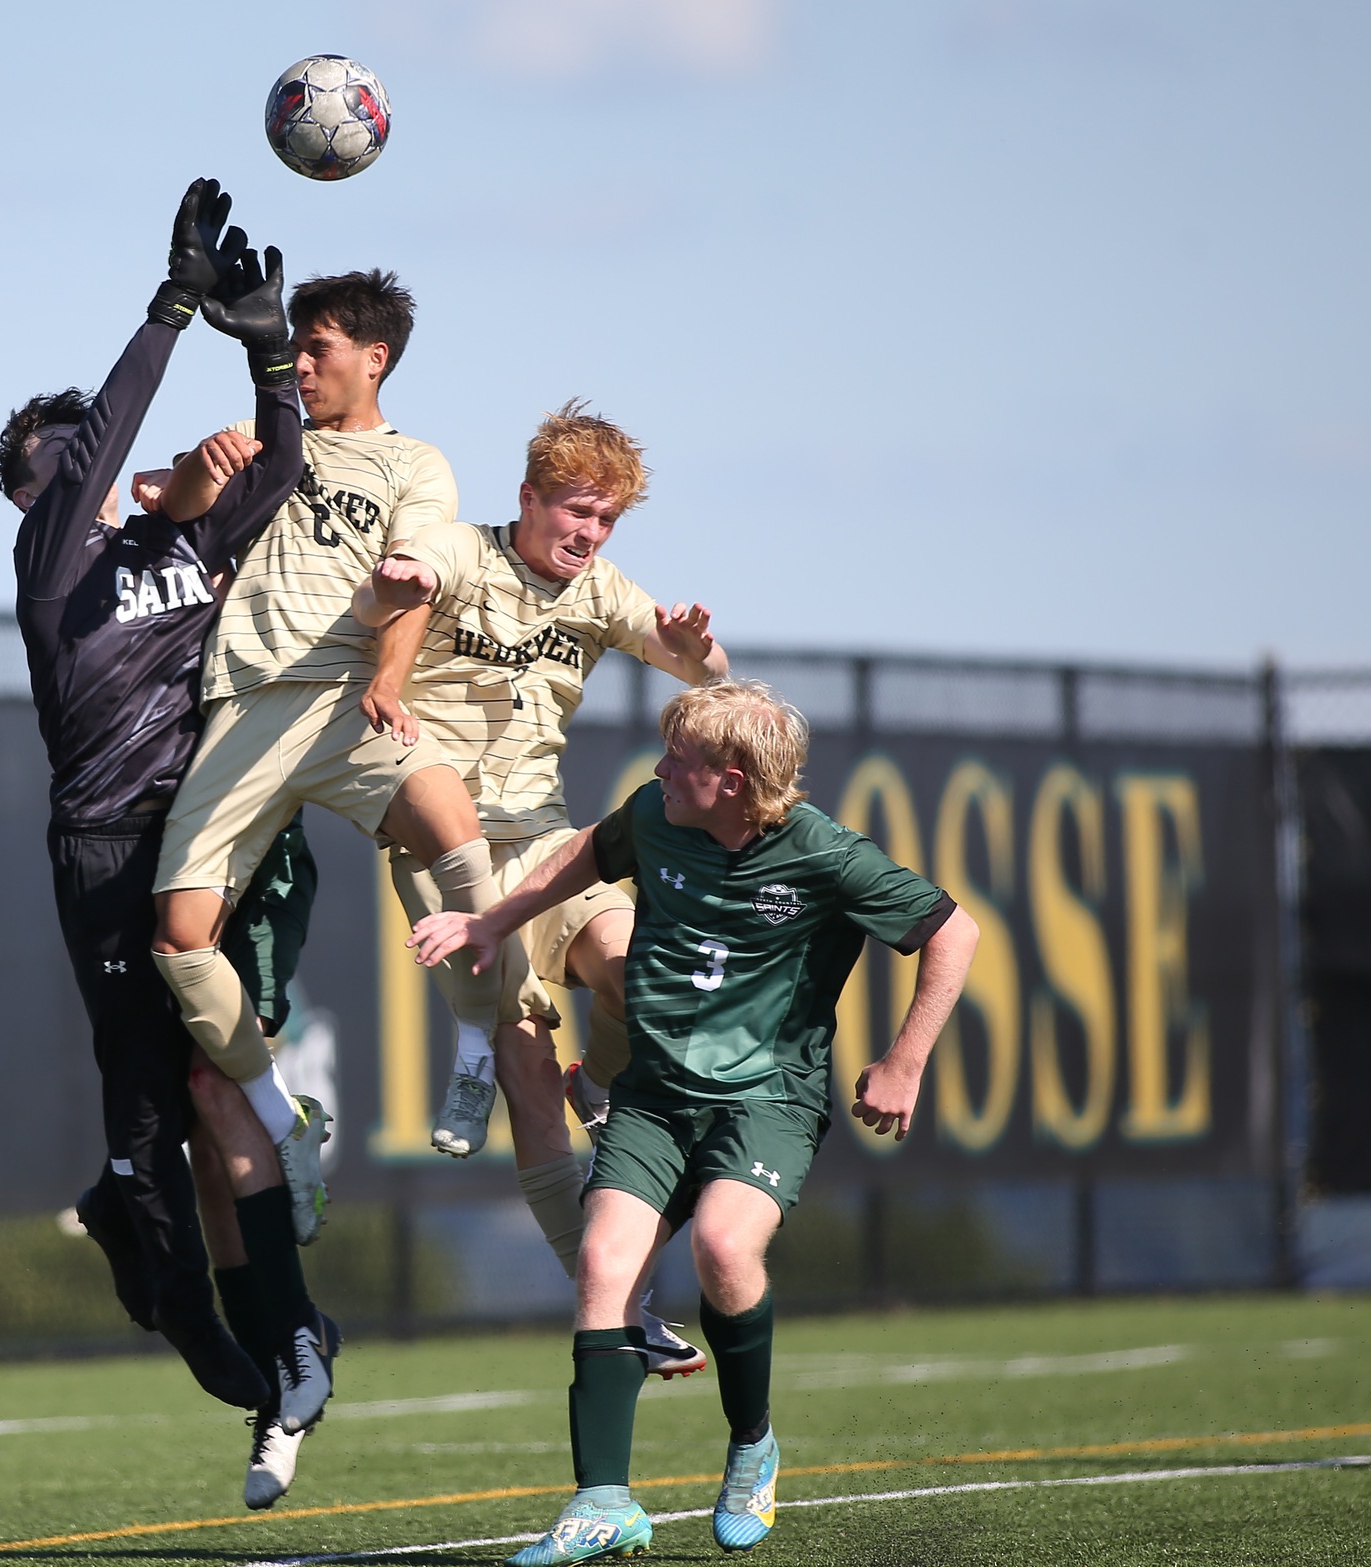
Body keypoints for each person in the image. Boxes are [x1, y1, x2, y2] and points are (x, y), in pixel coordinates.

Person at [411, 681, 980, 1562]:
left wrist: (903, 1063)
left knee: (721, 1248)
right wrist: (494, 922)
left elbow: (954, 932)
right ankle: (601, 1502)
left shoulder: (824, 853)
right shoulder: (655, 814)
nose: (660, 768)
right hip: (653, 1094)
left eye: (680, 758)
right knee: (603, 1265)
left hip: (767, 1100)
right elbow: (584, 856)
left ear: (735, 777)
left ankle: (751, 1443)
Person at [0, 177, 333, 1504]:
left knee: (218, 1099)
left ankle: (287, 1327)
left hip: (206, 845)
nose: (75, 470)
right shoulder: (46, 564)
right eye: (52, 465)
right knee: (148, 1134)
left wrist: (263, 350)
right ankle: (186, 1311)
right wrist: (167, 306)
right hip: (104, 855)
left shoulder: (181, 540)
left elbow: (283, 469)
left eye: (79, 455)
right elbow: (89, 455)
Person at [351, 402, 730, 1378]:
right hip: (446, 853)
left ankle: (595, 1083)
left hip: (549, 846)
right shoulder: (471, 554)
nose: (586, 533)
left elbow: (700, 666)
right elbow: (421, 565)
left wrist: (695, 650)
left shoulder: (598, 588)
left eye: (603, 520)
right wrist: (404, 577)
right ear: (526, 498)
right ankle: (619, 1310)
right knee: (525, 1070)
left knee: (642, 973)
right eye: (573, 510)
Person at [146, 269, 503, 1268]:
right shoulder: (264, 437)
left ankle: (473, 1048)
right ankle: (279, 1113)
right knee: (180, 939)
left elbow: (418, 575)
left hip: (349, 693)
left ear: (373, 358)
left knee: (456, 830)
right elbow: (162, 506)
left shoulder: (412, 462)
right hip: (247, 704)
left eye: (320, 349)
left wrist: (389, 671)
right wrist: (197, 466)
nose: (299, 365)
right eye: (292, 349)